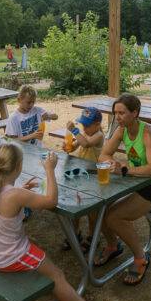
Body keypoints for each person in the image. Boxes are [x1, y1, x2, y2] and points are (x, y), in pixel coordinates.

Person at [0, 143, 119, 301]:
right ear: (19, 166)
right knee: (57, 276)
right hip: (7, 257)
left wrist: (22, 189)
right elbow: (51, 200)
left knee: (43, 261)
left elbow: (10, 199)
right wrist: (50, 169)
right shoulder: (16, 195)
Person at [95, 93, 151, 286]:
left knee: (113, 217)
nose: (117, 117)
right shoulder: (122, 130)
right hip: (133, 183)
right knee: (98, 208)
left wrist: (125, 169)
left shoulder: (148, 133)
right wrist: (113, 163)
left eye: (122, 113)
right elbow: (103, 154)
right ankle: (112, 246)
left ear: (135, 113)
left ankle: (141, 257)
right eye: (115, 112)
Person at [60, 107, 105, 250]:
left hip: (93, 176)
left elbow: (86, 143)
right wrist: (68, 146)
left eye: (87, 125)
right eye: (82, 125)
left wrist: (75, 130)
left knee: (92, 210)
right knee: (76, 204)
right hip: (80, 174)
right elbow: (75, 146)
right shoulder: (85, 133)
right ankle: (75, 233)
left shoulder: (98, 135)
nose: (84, 128)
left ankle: (93, 236)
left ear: (97, 124)